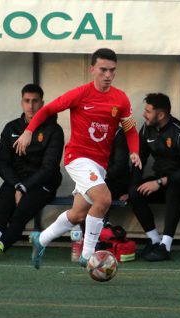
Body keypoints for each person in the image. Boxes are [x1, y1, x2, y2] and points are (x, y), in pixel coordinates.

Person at [14, 48, 142, 269]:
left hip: (99, 164)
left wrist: (135, 150)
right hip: (78, 157)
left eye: (112, 70)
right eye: (103, 70)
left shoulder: (120, 99)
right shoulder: (80, 94)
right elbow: (47, 110)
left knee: (78, 213)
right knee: (104, 200)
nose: (108, 75)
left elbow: (130, 129)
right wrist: (29, 131)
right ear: (92, 69)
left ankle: (41, 239)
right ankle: (88, 255)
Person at [0, 84, 64, 260]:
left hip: (42, 183)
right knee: (3, 205)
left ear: (42, 103)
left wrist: (24, 187)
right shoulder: (11, 128)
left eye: (35, 101)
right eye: (27, 101)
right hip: (16, 181)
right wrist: (16, 184)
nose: (31, 106)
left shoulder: (54, 130)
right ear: (21, 103)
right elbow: (1, 161)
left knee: (20, 213)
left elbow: (49, 167)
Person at [129, 93, 180, 261]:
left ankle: (166, 246)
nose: (144, 114)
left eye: (148, 111)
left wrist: (160, 182)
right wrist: (131, 188)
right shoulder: (146, 129)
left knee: (173, 190)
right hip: (162, 181)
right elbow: (138, 161)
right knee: (135, 192)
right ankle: (155, 241)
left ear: (161, 115)